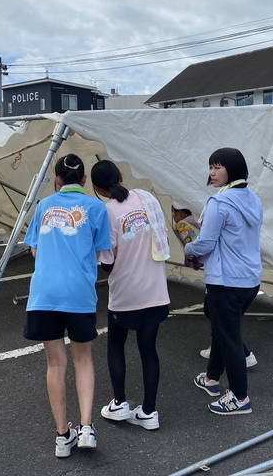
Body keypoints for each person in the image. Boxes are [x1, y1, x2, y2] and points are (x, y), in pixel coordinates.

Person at [23, 154, 111, 458]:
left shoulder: (44, 206)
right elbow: (102, 253)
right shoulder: (97, 208)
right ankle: (86, 427)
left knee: (55, 364)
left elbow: (34, 250)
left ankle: (63, 436)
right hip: (79, 294)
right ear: (84, 180)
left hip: (44, 294)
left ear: (56, 179)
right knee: (83, 359)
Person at [91, 160, 170, 431]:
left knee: (116, 345)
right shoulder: (146, 199)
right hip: (156, 289)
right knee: (148, 350)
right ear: (122, 176)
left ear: (96, 188)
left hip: (126, 293)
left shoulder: (107, 212)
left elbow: (108, 263)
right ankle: (149, 412)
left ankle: (120, 403)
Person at [185, 148, 263, 416]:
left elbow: (206, 242)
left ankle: (240, 398)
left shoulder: (219, 203)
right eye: (211, 167)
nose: (212, 172)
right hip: (249, 279)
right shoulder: (253, 200)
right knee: (222, 329)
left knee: (229, 338)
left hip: (226, 281)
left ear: (233, 169)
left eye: (218, 167)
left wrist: (188, 250)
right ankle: (211, 378)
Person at [172, 206, 257, 368]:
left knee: (218, 315)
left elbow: (203, 244)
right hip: (237, 273)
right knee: (215, 313)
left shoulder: (211, 209)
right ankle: (216, 360)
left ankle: (244, 355)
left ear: (180, 212)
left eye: (174, 212)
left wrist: (191, 253)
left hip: (222, 274)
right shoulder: (238, 208)